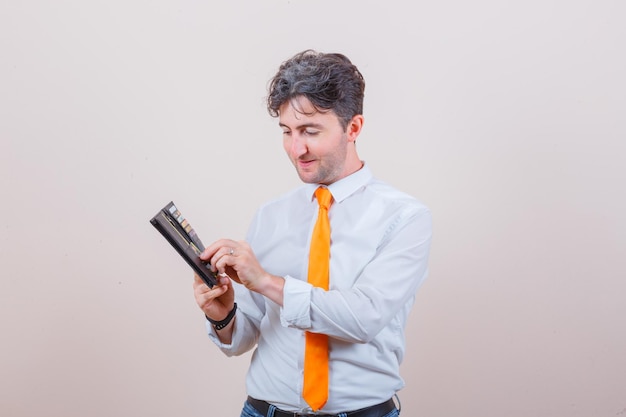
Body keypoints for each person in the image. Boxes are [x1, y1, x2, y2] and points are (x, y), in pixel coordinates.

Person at [192, 49, 432, 417]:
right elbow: (245, 337)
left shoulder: (404, 217)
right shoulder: (271, 215)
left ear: (353, 128)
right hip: (263, 410)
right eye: (287, 132)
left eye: (309, 131)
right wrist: (222, 315)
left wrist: (268, 282)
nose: (295, 149)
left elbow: (362, 318)